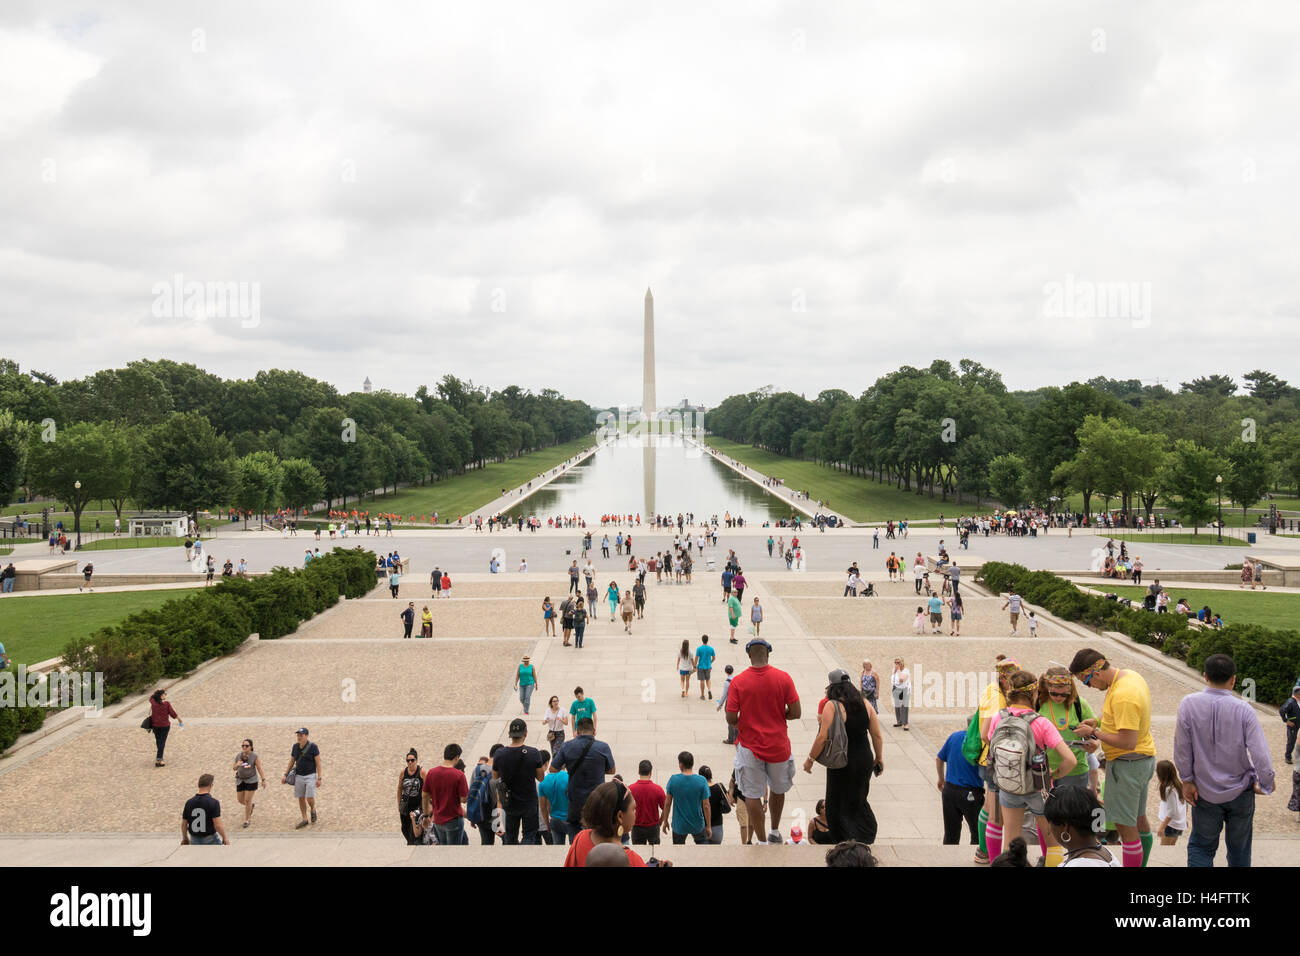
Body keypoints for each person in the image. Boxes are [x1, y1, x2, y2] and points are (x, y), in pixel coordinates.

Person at [1174, 653, 1275, 868]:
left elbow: (1182, 748)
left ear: (1205, 676)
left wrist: (1187, 780)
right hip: (1240, 789)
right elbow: (1260, 753)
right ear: (1233, 679)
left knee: (1201, 846)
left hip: (1204, 790)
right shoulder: (1244, 710)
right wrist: (1266, 782)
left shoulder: (1188, 704)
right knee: (1239, 850)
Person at [1068, 649, 1154, 867]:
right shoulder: (1128, 676)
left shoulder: (1123, 695)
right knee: (1139, 819)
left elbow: (1127, 741)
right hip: (1143, 760)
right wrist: (1097, 722)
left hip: (1127, 763)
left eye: (1085, 681)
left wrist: (1095, 734)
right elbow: (1118, 718)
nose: (1089, 687)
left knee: (1126, 828)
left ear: (1095, 673)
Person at [986, 669, 1077, 867]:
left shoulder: (998, 717)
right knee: (1052, 842)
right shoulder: (1041, 722)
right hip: (1039, 787)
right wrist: (1053, 774)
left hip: (1009, 784)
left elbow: (990, 741)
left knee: (1010, 842)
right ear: (1034, 694)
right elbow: (1070, 760)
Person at [725, 637, 801, 844]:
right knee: (778, 789)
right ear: (768, 653)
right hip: (778, 745)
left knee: (751, 794)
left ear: (749, 655)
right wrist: (778, 715)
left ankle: (760, 840)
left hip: (749, 747)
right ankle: (775, 831)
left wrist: (747, 721)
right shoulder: (784, 678)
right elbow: (796, 712)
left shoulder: (738, 682)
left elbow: (731, 718)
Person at [804, 669, 881, 844]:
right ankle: (864, 834)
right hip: (864, 760)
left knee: (836, 803)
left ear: (832, 687)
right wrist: (879, 757)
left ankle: (845, 840)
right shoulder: (865, 703)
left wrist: (810, 760)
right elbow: (877, 735)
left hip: (842, 762)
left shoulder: (832, 705)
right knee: (858, 799)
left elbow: (822, 737)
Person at [563, 781, 657, 867]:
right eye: (633, 809)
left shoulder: (580, 838)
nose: (635, 813)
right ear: (620, 816)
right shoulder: (631, 860)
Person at [551, 717, 616, 832]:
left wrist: (569, 765)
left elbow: (553, 769)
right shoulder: (603, 747)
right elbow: (612, 770)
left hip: (575, 800)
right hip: (597, 799)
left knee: (574, 830)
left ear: (577, 731)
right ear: (594, 730)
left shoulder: (567, 746)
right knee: (596, 831)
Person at [1037, 667, 1095, 794]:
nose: (1059, 697)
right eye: (1054, 693)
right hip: (1045, 769)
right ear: (1047, 687)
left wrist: (1093, 743)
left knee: (1072, 812)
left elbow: (1094, 731)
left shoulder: (1079, 704)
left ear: (1070, 689)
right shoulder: (1038, 703)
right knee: (1046, 811)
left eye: (1064, 694)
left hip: (1075, 770)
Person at [493, 718, 547, 845]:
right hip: (529, 800)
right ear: (525, 733)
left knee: (511, 835)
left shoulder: (500, 753)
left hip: (509, 801)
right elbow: (541, 778)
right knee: (529, 834)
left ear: (510, 734)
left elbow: (495, 777)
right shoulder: (533, 753)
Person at [1043, 787, 1119, 867]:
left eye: (1050, 823)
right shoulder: (1105, 852)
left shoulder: (1079, 864)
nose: (1050, 830)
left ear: (1065, 827)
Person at [936, 726, 984, 844]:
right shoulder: (981, 742)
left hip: (949, 790)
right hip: (971, 792)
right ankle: (977, 857)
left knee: (950, 833)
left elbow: (939, 758)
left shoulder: (954, 736)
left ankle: (948, 858)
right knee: (978, 834)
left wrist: (941, 779)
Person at [422, 743, 469, 846]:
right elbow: (464, 799)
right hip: (454, 819)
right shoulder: (459, 775)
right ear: (456, 757)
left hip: (438, 820)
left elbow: (425, 796)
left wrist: (426, 816)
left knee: (443, 851)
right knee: (454, 853)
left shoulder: (432, 773)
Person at [663, 751, 712, 844]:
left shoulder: (673, 780)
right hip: (697, 824)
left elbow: (667, 803)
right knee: (702, 849)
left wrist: (665, 821)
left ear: (681, 764)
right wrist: (708, 826)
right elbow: (706, 806)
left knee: (678, 852)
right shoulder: (702, 781)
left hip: (679, 825)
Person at [283, 727, 322, 829]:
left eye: (301, 735)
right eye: (298, 735)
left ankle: (313, 808)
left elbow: (318, 763)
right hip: (299, 775)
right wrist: (285, 774)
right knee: (301, 797)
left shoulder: (313, 747)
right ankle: (304, 819)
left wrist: (319, 777)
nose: (299, 737)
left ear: (306, 736)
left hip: (310, 775)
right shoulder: (295, 747)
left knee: (309, 797)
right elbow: (291, 761)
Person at [181, 774, 230, 846]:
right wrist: (225, 837)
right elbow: (218, 825)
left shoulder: (189, 802)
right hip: (210, 839)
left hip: (194, 839)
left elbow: (184, 824)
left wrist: (185, 838)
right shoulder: (213, 802)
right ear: (211, 785)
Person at [629, 759, 667, 846]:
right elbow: (666, 807)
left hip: (637, 826)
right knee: (654, 852)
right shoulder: (658, 789)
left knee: (639, 853)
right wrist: (660, 821)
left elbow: (626, 808)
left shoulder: (631, 789)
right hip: (653, 827)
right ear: (651, 772)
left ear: (638, 771)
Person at [232, 738, 265, 829]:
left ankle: (246, 820)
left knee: (247, 800)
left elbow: (259, 768)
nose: (244, 747)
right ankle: (251, 806)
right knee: (240, 800)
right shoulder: (238, 756)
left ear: (251, 747)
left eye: (246, 746)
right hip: (240, 780)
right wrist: (238, 764)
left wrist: (263, 779)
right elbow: (234, 768)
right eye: (243, 745)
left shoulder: (255, 756)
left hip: (251, 780)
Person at [1155, 759, 1188, 846]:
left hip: (1170, 825)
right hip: (1179, 824)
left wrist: (1162, 827)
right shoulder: (1179, 785)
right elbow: (1185, 804)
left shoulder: (1169, 789)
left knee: (1164, 849)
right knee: (1171, 846)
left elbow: (1171, 812)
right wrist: (1184, 819)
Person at [539, 759, 571, 844]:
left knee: (557, 847)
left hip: (555, 820)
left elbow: (543, 807)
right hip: (571, 819)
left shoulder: (543, 782)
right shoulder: (570, 777)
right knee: (574, 847)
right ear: (564, 765)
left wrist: (547, 824)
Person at [398, 747, 426, 844]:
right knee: (404, 828)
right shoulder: (403, 772)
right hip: (406, 806)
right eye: (408, 760)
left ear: (416, 760)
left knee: (413, 828)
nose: (410, 762)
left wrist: (426, 804)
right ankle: (410, 841)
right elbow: (399, 788)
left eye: (412, 760)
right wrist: (399, 803)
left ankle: (411, 843)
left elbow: (427, 790)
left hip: (417, 806)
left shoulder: (422, 772)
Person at [1280, 683, 1300, 765]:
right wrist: (1286, 720)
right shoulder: (1290, 702)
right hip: (1293, 724)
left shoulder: (1297, 701)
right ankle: (1288, 757)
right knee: (1291, 740)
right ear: (1297, 694)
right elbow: (1282, 710)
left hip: (1298, 723)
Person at [890, 658, 911, 731]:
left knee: (904, 707)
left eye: (898, 662)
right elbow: (893, 679)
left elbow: (902, 679)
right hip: (896, 689)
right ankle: (899, 721)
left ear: (902, 663)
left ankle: (905, 723)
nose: (896, 664)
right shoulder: (894, 670)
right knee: (897, 706)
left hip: (904, 690)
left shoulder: (906, 671)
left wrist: (898, 670)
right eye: (895, 662)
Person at [694, 635, 716, 700]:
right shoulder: (711, 649)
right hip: (708, 666)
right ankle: (709, 690)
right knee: (708, 679)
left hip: (701, 666)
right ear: (707, 640)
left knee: (702, 680)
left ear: (702, 640)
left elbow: (696, 658)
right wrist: (710, 662)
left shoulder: (699, 648)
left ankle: (702, 695)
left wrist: (695, 665)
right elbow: (714, 658)